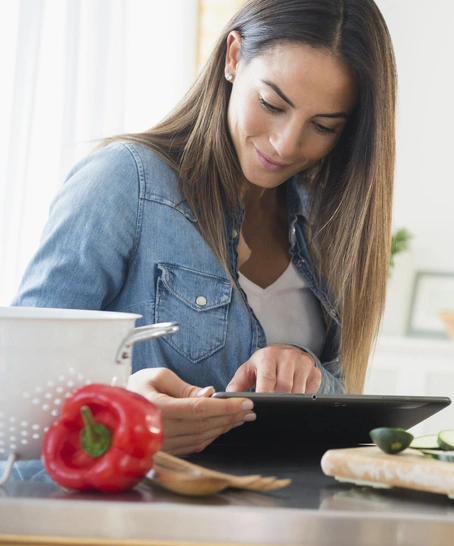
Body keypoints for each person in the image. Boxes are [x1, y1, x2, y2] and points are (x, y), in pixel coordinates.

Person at [12, 0, 397, 455]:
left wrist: (305, 371)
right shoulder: (125, 181)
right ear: (233, 57)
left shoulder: (329, 223)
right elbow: (19, 391)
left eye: (323, 126)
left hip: (287, 513)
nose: (286, 143)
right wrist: (126, 420)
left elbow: (344, 406)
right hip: (141, 517)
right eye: (272, 104)